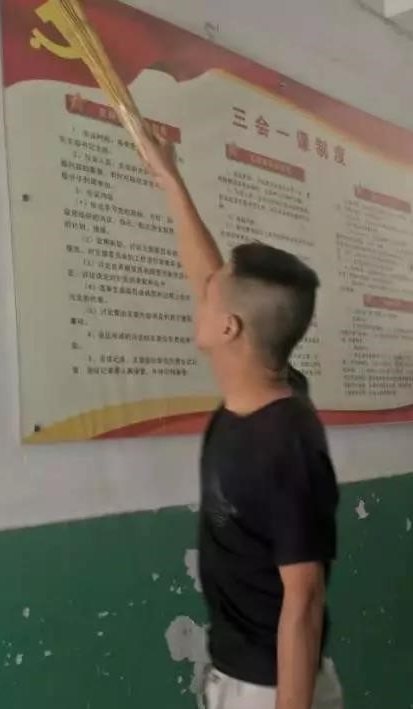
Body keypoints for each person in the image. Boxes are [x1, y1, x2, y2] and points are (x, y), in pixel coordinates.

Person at [138, 129, 341, 709]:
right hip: (234, 676)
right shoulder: (269, 387)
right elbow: (209, 275)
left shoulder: (286, 445)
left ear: (229, 328)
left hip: (271, 689)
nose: (199, 294)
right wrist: (170, 180)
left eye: (210, 296)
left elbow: (304, 599)